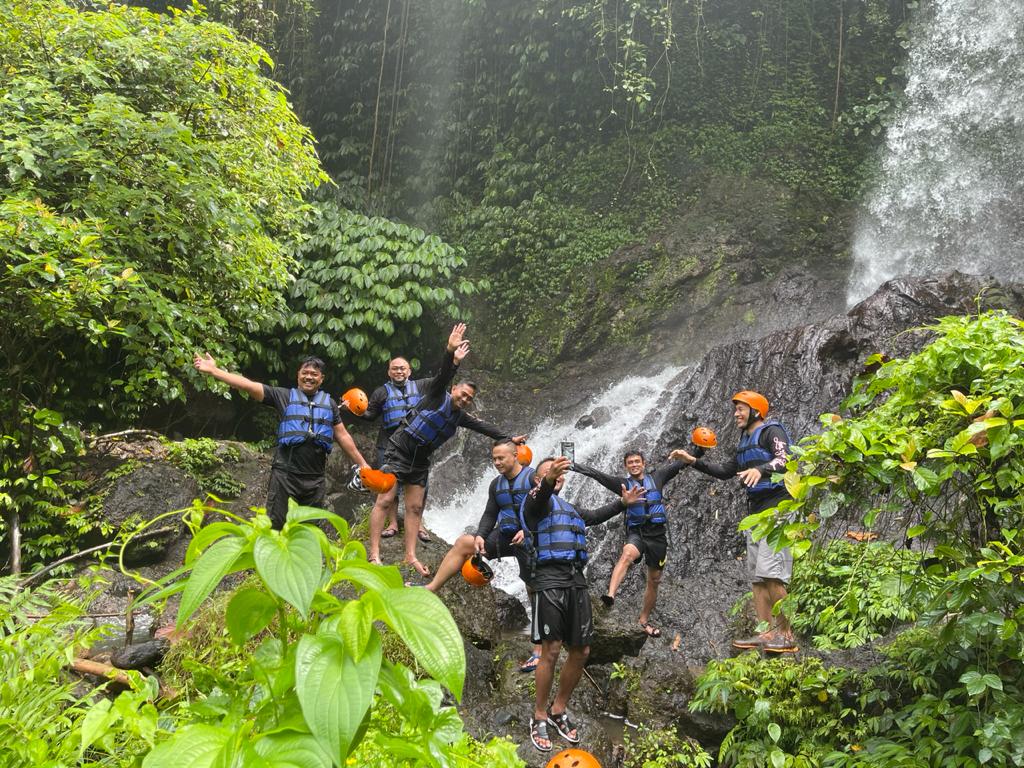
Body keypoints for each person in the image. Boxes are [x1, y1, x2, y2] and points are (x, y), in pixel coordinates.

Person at [371, 323, 526, 576]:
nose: (464, 400)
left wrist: (511, 439)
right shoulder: (436, 394)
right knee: (386, 499)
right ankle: (375, 553)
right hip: (399, 449)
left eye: (469, 399)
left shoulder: (460, 417)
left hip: (420, 460)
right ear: (454, 389)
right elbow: (443, 373)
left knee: (414, 508)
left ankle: (410, 555)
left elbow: (484, 427)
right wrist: (451, 354)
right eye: (462, 394)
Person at [519, 456, 645, 753]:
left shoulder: (570, 509)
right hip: (549, 580)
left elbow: (595, 514)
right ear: (539, 479)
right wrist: (550, 477)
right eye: (549, 474)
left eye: (559, 474)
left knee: (582, 650)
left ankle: (558, 708)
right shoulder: (533, 504)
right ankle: (538, 715)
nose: (557, 476)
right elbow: (542, 494)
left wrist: (623, 504)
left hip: (576, 580)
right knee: (550, 649)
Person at [671, 390, 797, 653]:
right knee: (757, 577)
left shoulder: (771, 431)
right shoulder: (743, 441)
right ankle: (766, 632)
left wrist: (760, 469)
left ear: (756, 411)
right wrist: (692, 461)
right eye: (736, 409)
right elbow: (725, 472)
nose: (736, 413)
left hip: (778, 505)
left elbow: (785, 459)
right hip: (756, 511)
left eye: (741, 408)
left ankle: (786, 634)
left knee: (772, 573)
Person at [193, 353, 370, 529]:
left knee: (310, 530)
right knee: (276, 524)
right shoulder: (283, 396)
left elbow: (343, 435)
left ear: (321, 379)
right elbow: (248, 385)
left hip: (315, 479)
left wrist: (363, 465)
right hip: (285, 476)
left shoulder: (330, 404)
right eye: (305, 372)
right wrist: (215, 371)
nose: (309, 377)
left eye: (314, 374)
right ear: (298, 375)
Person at [423, 438, 542, 671]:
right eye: (494, 458)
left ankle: (538, 649)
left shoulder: (531, 478)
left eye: (501, 458)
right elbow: (490, 514)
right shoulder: (495, 484)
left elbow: (544, 510)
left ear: (515, 456)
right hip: (505, 536)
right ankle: (432, 587)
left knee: (533, 588)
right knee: (464, 543)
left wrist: (527, 531)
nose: (497, 462)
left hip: (531, 538)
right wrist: (480, 535)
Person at [571, 447, 702, 638]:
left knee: (654, 580)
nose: (634, 465)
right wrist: (573, 466)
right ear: (625, 466)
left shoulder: (658, 476)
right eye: (630, 463)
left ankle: (643, 620)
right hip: (637, 533)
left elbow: (683, 463)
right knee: (627, 554)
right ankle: (610, 596)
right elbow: (597, 475)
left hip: (657, 536)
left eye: (636, 461)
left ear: (643, 463)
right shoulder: (623, 484)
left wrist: (700, 449)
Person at [345, 355, 430, 543]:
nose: (398, 371)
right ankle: (392, 523)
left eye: (402, 368)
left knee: (420, 486)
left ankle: (419, 524)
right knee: (388, 484)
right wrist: (355, 409)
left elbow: (441, 386)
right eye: (394, 368)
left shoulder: (422, 387)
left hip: (416, 445)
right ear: (388, 372)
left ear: (409, 371)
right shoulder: (381, 392)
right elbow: (370, 415)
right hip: (388, 444)